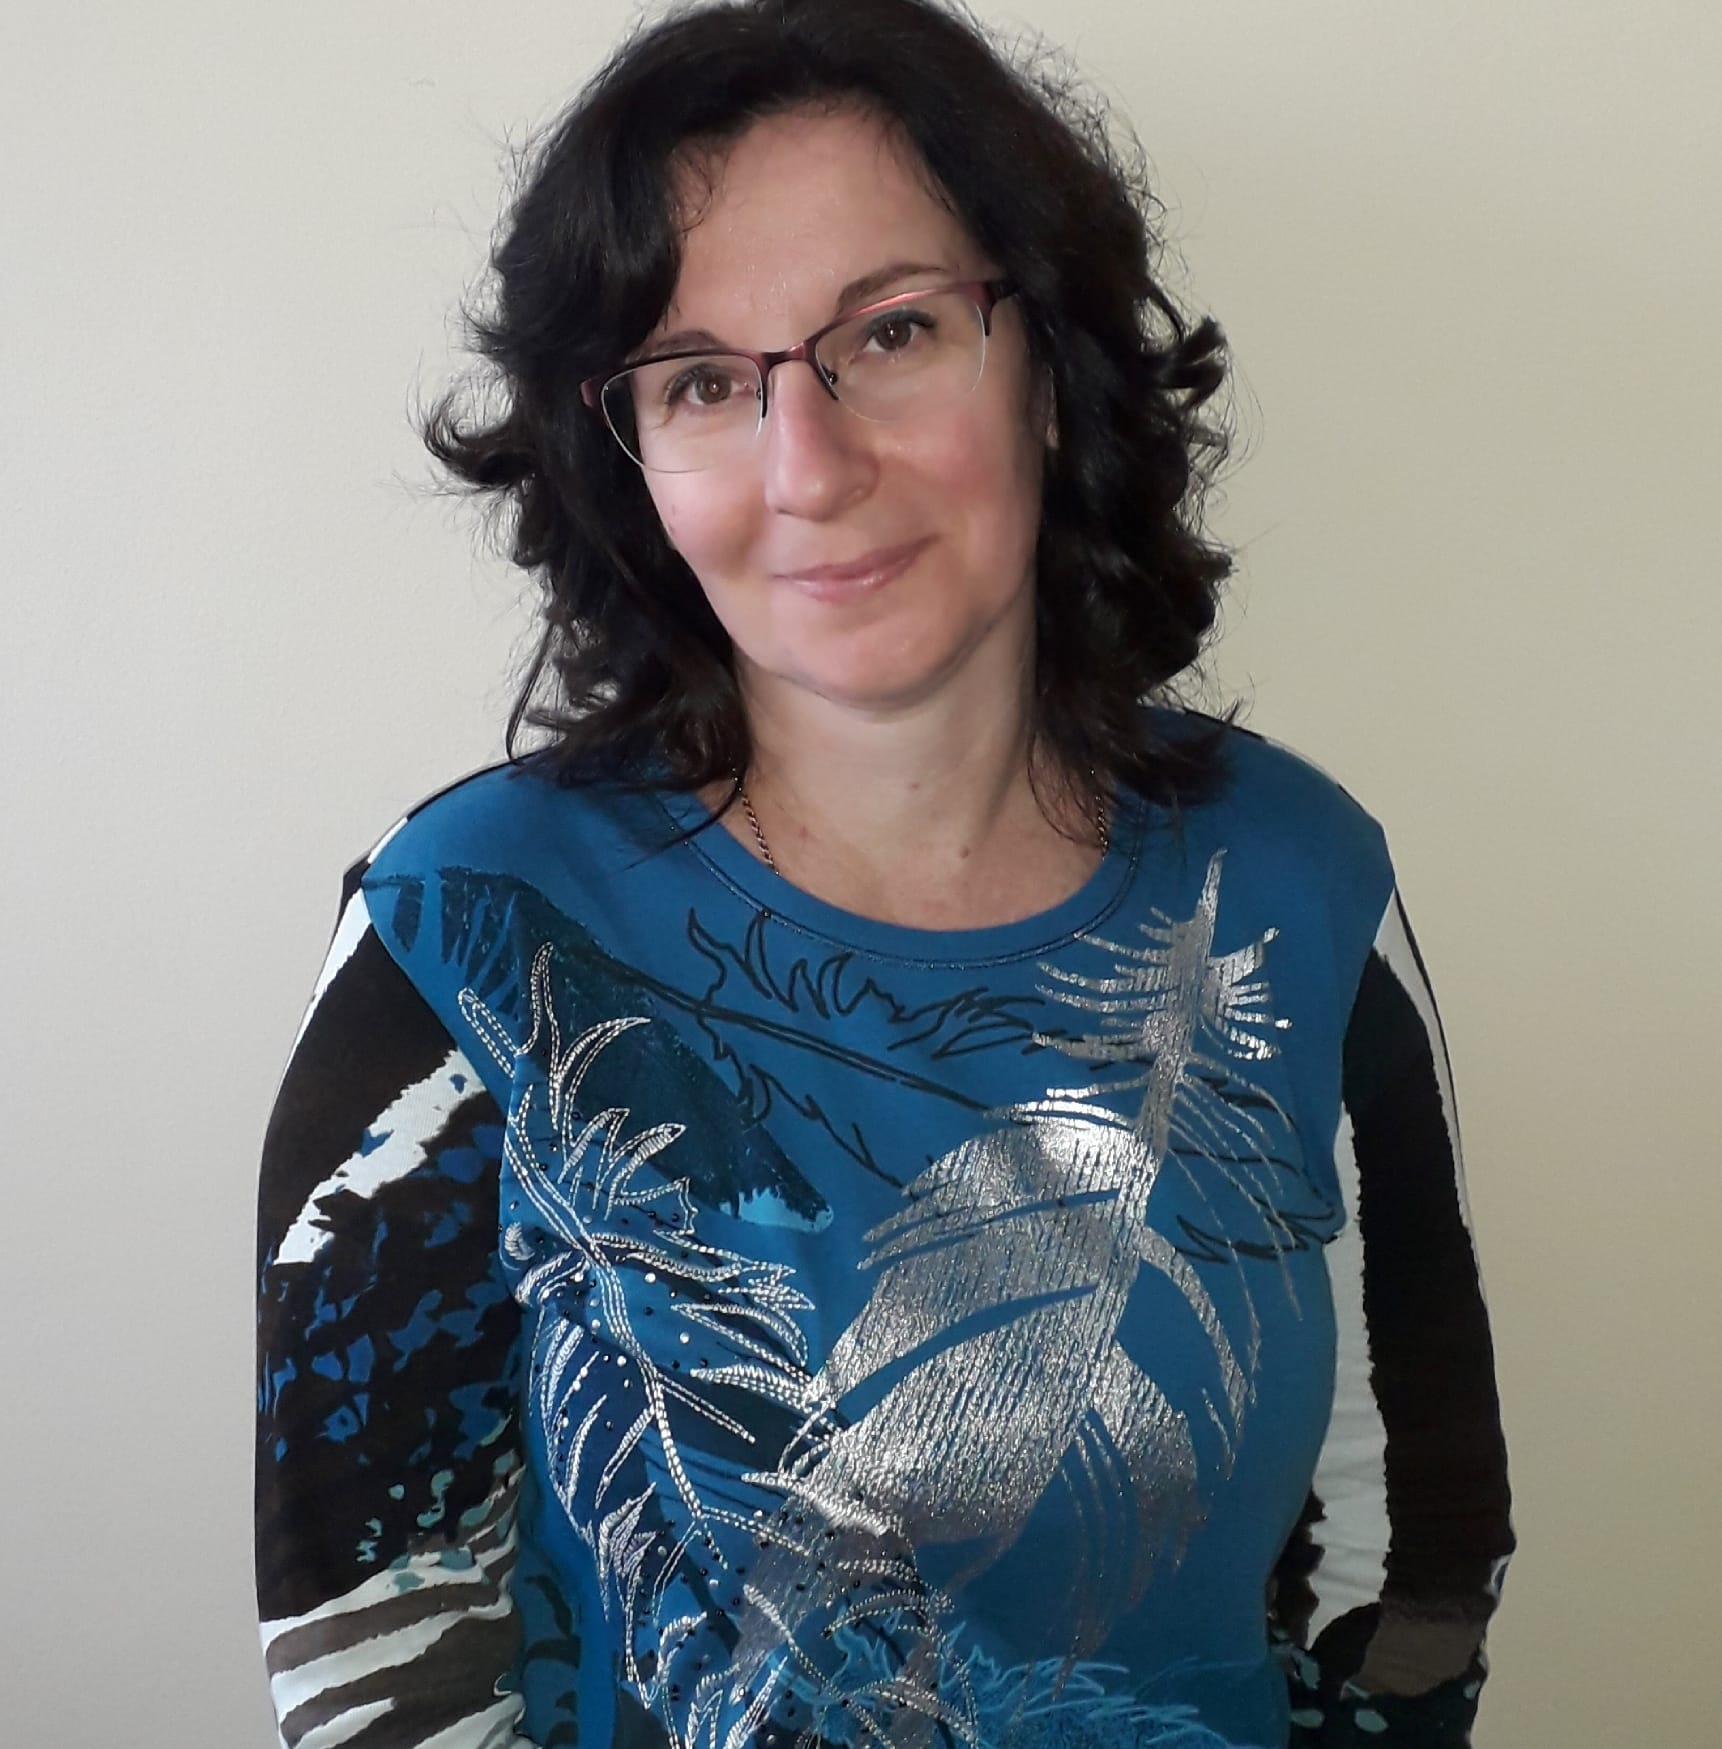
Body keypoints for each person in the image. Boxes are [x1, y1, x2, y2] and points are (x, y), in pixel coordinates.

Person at [254, 2, 1514, 1745]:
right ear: (630, 459)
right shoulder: (469, 923)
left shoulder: (1293, 877)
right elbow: (377, 1648)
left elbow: (1414, 1541)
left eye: (893, 331)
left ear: (1048, 369)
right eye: (703, 380)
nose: (811, 467)